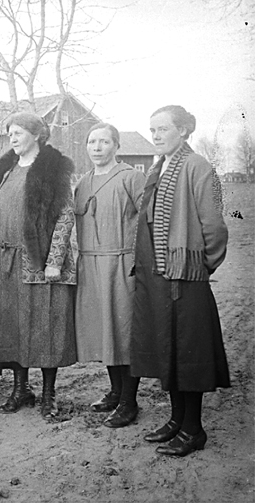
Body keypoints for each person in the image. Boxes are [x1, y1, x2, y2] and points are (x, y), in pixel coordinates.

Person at [130, 105, 229, 457]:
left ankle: (193, 429)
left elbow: (214, 226)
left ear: (184, 130)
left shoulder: (198, 166)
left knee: (188, 351)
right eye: (152, 130)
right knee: (167, 348)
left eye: (163, 129)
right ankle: (177, 420)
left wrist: (199, 266)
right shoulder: (159, 167)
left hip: (185, 277)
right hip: (158, 275)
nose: (156, 135)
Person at [0, 112, 77, 419]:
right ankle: (20, 389)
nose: (12, 138)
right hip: (7, 262)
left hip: (39, 260)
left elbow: (65, 216)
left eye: (18, 132)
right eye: (10, 133)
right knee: (13, 326)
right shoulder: (6, 169)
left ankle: (49, 394)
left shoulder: (53, 168)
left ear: (37, 135)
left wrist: (54, 261)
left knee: (46, 326)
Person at [74, 123, 146, 428]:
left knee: (123, 331)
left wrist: (139, 260)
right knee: (104, 330)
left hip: (121, 263)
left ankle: (130, 401)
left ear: (116, 145)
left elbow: (148, 220)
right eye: (92, 142)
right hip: (90, 264)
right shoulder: (82, 182)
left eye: (104, 141)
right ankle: (116, 392)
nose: (97, 147)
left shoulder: (131, 177)